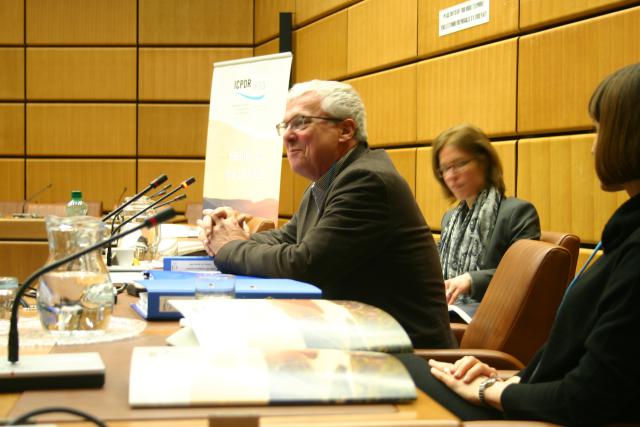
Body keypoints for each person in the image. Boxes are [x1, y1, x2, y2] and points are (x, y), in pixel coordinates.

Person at [397, 63, 640, 425]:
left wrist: (489, 390)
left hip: (538, 411)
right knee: (396, 366)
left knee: (394, 369)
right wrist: (504, 378)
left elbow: (590, 394)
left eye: (599, 129)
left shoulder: (630, 249)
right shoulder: (625, 237)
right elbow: (572, 357)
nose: (593, 147)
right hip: (526, 386)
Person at [198, 80, 455, 349]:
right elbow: (288, 239)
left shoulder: (366, 182)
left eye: (300, 122)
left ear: (345, 130)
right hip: (356, 341)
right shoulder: (326, 183)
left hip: (403, 357)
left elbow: (304, 265)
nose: (287, 136)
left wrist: (229, 246)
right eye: (285, 126)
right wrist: (228, 230)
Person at [432, 124, 540, 319]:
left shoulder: (518, 213)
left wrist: (472, 280)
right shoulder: (450, 220)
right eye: (445, 169)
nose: (451, 176)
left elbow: (523, 278)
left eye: (460, 164)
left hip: (491, 323)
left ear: (484, 162)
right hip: (447, 315)